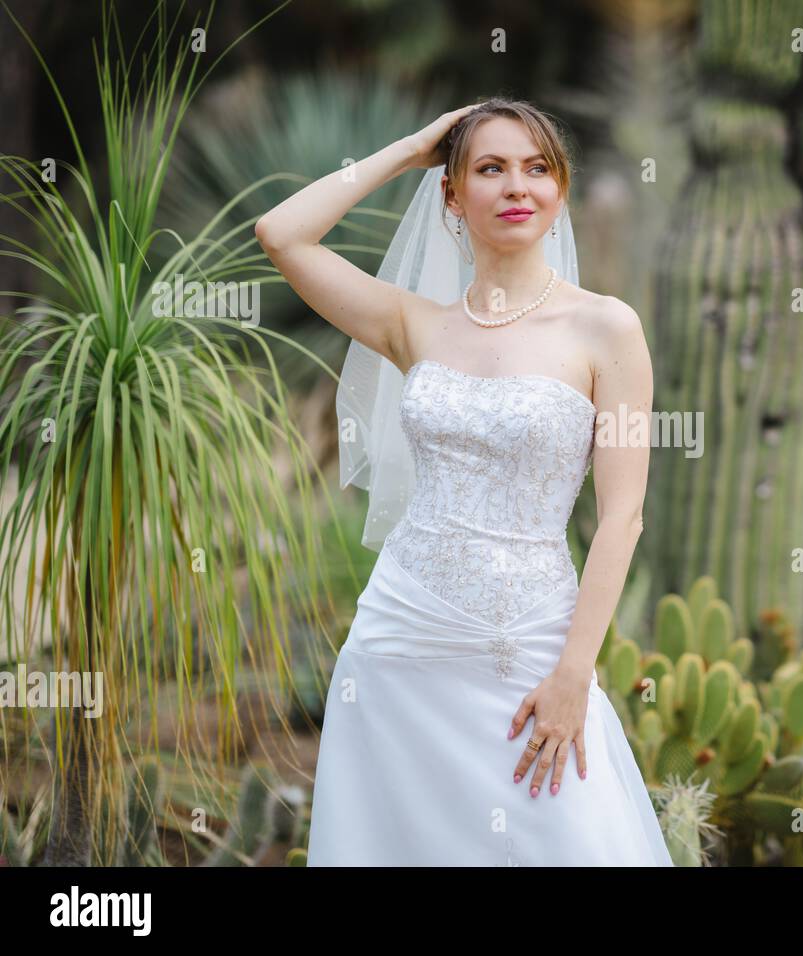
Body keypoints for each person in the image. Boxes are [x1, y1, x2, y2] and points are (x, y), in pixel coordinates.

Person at [255, 97, 671, 865]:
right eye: (490, 168)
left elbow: (623, 518)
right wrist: (413, 147)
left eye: (538, 169)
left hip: (532, 646)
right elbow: (282, 234)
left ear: (561, 190)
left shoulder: (606, 329)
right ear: (451, 194)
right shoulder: (414, 324)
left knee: (569, 838)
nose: (518, 186)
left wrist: (574, 673)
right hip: (400, 639)